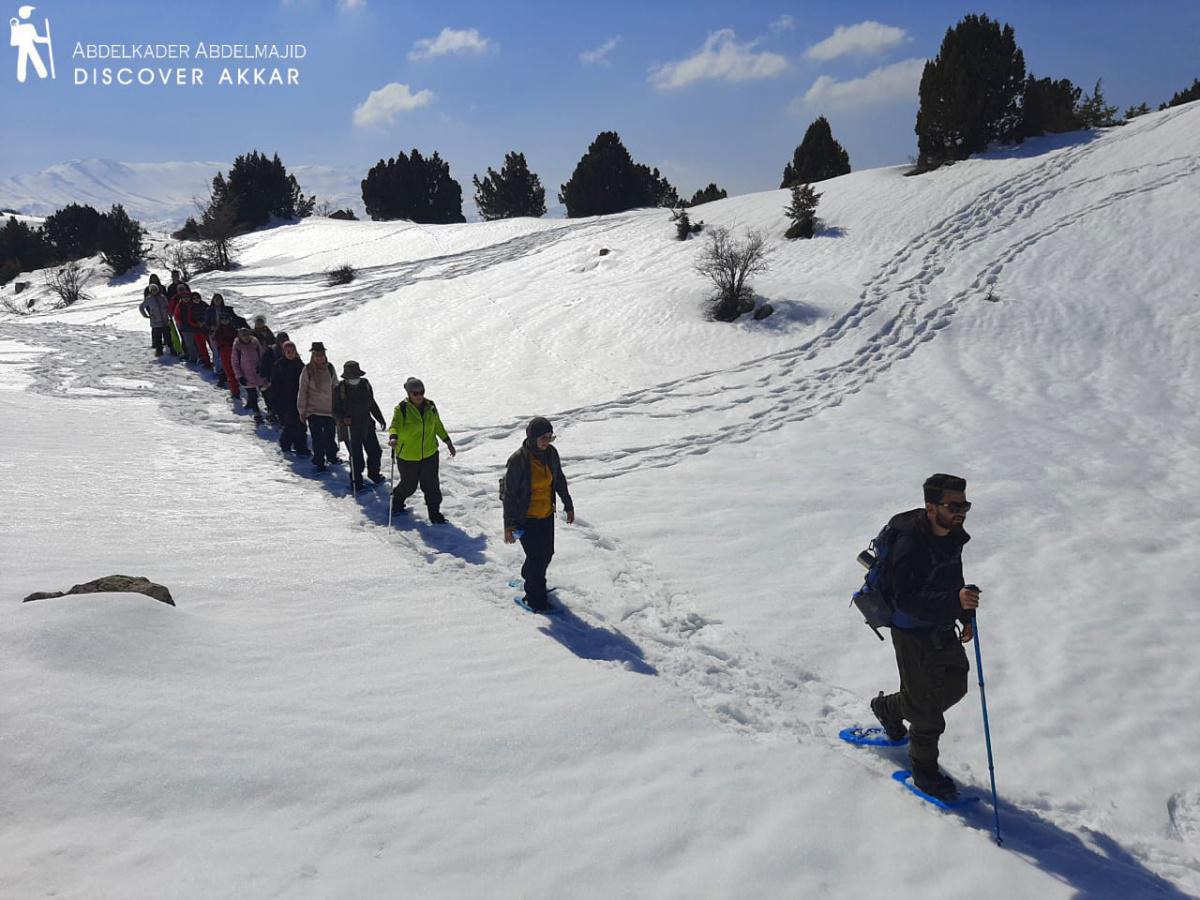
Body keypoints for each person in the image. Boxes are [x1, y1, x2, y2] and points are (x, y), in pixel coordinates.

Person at [870, 473, 978, 802]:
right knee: (927, 713)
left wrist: (964, 614)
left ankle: (888, 708)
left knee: (956, 683)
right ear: (931, 507)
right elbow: (905, 598)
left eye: (965, 504)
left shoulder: (952, 536)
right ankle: (924, 770)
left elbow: (951, 578)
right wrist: (953, 602)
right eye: (953, 505)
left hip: (941, 624)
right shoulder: (909, 544)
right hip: (911, 630)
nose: (960, 511)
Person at [502, 417, 575, 612]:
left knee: (547, 554)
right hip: (526, 517)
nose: (547, 441)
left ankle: (530, 577)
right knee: (536, 556)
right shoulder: (518, 460)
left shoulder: (551, 454)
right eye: (544, 437)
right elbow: (509, 494)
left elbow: (559, 479)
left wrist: (568, 504)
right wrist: (509, 525)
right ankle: (534, 598)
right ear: (533, 437)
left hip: (546, 514)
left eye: (550, 437)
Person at [387, 377, 455, 523]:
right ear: (409, 394)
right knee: (409, 486)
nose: (419, 396)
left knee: (431, 486)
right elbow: (394, 426)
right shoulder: (401, 409)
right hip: (407, 456)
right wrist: (393, 437)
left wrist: (447, 441)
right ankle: (396, 501)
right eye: (415, 393)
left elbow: (437, 425)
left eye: (421, 392)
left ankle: (434, 514)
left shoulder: (430, 406)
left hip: (429, 454)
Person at [333, 361, 387, 492]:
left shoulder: (365, 385)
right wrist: (342, 419)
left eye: (356, 376)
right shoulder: (339, 389)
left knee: (375, 452)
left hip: (367, 425)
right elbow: (335, 410)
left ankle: (374, 474)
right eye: (352, 377)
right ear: (346, 378)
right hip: (350, 428)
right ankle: (356, 483)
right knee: (356, 458)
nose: (355, 380)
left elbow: (372, 404)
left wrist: (380, 418)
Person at [297, 342, 339, 472]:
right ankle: (319, 461)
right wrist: (302, 411)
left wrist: (338, 406)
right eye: (316, 355)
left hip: (328, 409)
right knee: (318, 437)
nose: (319, 357)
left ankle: (332, 456)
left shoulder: (330, 368)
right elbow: (303, 390)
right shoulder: (308, 370)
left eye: (321, 355)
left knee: (330, 434)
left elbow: (335, 387)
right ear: (313, 356)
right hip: (313, 410)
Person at [270, 340, 309, 456]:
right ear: (284, 352)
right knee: (291, 424)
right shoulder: (279, 365)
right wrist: (274, 403)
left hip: (299, 398)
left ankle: (301, 447)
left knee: (301, 424)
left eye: (292, 351)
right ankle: (285, 444)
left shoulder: (300, 364)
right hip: (285, 400)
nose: (290, 354)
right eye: (288, 351)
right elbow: (275, 384)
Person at [206, 293, 245, 395]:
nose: (217, 301)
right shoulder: (209, 310)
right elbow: (206, 323)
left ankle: (233, 376)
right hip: (215, 334)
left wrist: (244, 325)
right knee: (217, 354)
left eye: (219, 299)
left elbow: (236, 319)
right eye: (216, 299)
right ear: (213, 300)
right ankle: (221, 374)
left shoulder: (227, 310)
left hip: (228, 339)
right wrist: (211, 328)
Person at [232, 326, 269, 424]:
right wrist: (239, 376)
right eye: (243, 335)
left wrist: (263, 368)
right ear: (239, 336)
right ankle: (256, 413)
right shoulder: (237, 346)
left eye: (247, 334)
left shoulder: (255, 342)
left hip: (258, 373)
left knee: (266, 392)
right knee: (252, 395)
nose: (246, 337)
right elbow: (235, 362)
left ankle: (271, 411)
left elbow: (261, 355)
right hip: (246, 374)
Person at [138, 283, 171, 357]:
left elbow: (168, 306)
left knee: (168, 337)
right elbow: (141, 307)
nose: (154, 291)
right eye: (152, 290)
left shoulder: (163, 297)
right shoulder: (149, 299)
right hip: (155, 322)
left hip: (165, 321)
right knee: (157, 338)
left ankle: (171, 350)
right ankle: (159, 351)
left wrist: (169, 314)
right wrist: (146, 315)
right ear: (150, 291)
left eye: (155, 289)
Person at [183, 289, 213, 369]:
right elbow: (189, 319)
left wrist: (205, 323)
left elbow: (210, 315)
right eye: (194, 298)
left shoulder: (205, 305)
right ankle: (207, 362)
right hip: (197, 330)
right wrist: (196, 324)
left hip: (206, 329)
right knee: (202, 347)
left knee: (212, 345)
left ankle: (217, 361)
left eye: (197, 298)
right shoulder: (191, 308)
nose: (196, 300)